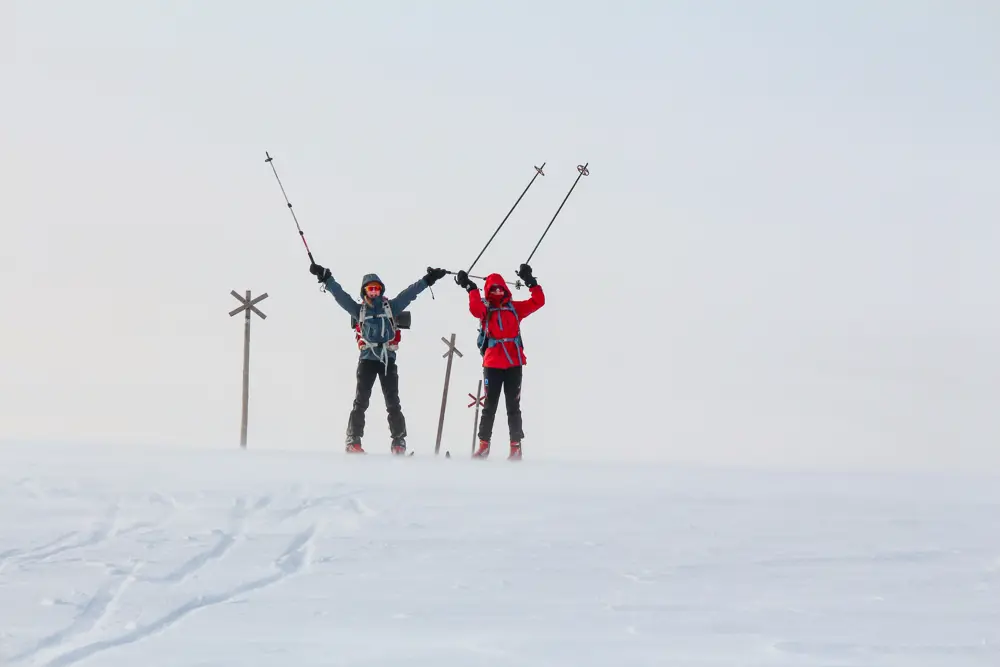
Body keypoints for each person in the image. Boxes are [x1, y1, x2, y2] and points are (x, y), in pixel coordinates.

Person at [309, 261, 448, 455]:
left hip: (387, 359)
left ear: (381, 290)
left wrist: (428, 280)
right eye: (370, 289)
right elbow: (340, 295)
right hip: (367, 359)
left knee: (393, 401)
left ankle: (398, 441)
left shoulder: (392, 306)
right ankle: (353, 440)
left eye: (377, 289)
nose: (374, 292)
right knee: (361, 400)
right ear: (365, 291)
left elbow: (410, 294)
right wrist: (326, 277)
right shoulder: (358, 311)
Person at [454, 264, 545, 460]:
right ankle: (484, 445)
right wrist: (471, 288)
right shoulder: (485, 310)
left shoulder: (515, 308)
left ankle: (515, 447)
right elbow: (475, 308)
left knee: (513, 406)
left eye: (500, 288)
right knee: (490, 406)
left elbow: (538, 301)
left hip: (513, 364)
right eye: (493, 289)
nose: (497, 291)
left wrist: (531, 282)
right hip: (493, 365)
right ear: (488, 291)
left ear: (505, 289)